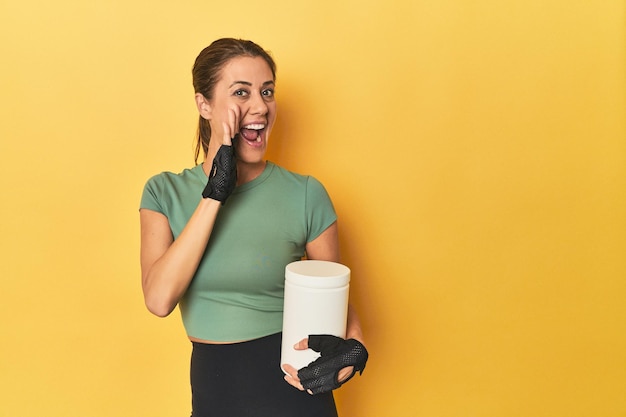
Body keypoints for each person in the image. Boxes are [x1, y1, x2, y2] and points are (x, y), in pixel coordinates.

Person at [139, 38, 368, 417]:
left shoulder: (306, 194)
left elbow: (336, 301)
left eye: (267, 92)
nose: (260, 106)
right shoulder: (164, 192)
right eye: (241, 92)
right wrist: (215, 193)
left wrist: (355, 345)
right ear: (204, 104)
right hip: (215, 401)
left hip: (297, 399)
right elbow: (159, 299)